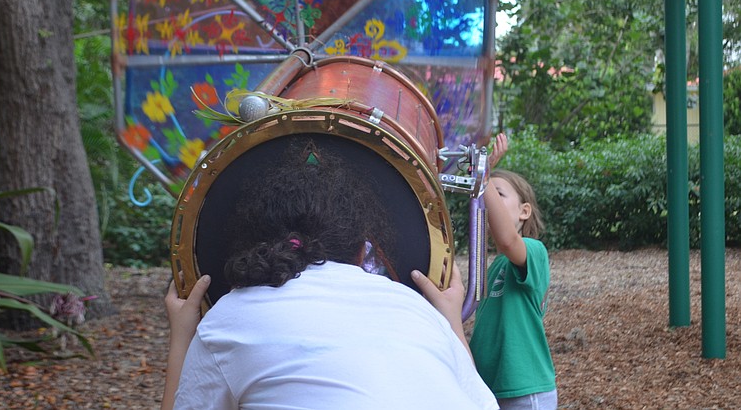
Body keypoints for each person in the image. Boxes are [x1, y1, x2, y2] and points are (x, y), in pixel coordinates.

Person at [161, 141, 498, 410]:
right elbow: (482, 401)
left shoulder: (229, 319)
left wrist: (182, 336)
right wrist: (451, 322)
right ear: (361, 252)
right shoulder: (415, 308)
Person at [469, 133, 557, 409]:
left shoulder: (534, 251)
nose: (489, 198)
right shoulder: (494, 265)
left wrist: (484, 178)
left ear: (524, 211)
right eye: (487, 193)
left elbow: (508, 240)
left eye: (499, 193)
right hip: (493, 389)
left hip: (524, 389)